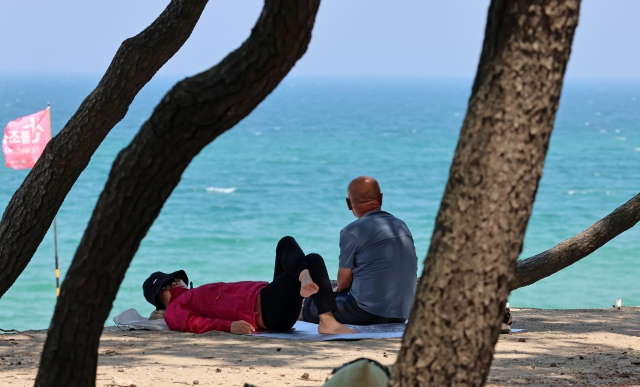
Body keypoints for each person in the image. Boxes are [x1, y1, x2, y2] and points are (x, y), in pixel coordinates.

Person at [143, 236, 356, 335]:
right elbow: (195, 324)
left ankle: (305, 282)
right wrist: (229, 326)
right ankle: (323, 314)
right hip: (265, 310)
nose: (176, 283)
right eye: (168, 285)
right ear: (161, 296)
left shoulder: (194, 294)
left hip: (271, 303)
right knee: (287, 244)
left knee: (312, 258)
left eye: (176, 280)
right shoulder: (174, 310)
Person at [302, 176, 418, 325]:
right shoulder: (401, 225)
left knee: (310, 304)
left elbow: (343, 283)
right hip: (402, 313)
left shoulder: (352, 231)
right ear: (380, 199)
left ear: (349, 203)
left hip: (367, 312)